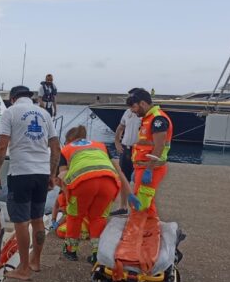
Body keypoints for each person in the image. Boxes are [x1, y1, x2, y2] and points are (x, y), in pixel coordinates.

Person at [0, 85, 60, 281]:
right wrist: (52, 174)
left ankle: (23, 268)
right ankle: (35, 262)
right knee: (37, 219)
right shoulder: (44, 113)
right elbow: (55, 147)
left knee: (21, 222)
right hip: (41, 173)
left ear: (13, 98)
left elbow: (1, 146)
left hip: (21, 173)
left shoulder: (10, 113)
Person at [56, 125, 120, 263]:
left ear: (68, 139)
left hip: (83, 183)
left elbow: (63, 176)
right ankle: (97, 254)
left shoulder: (66, 149)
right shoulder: (100, 145)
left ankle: (70, 251)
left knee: (75, 216)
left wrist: (68, 199)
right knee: (98, 218)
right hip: (109, 182)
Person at [126, 88, 172, 220]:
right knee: (147, 203)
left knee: (140, 205)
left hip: (151, 168)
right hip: (143, 167)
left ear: (142, 103)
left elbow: (159, 146)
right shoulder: (148, 118)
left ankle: (136, 234)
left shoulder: (158, 119)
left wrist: (149, 169)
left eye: (133, 107)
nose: (132, 111)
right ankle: (151, 228)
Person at [112, 91, 142, 215]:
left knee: (138, 180)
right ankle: (123, 207)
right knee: (124, 178)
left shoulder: (144, 115)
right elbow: (120, 127)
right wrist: (117, 142)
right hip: (126, 148)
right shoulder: (127, 112)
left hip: (138, 150)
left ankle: (137, 208)